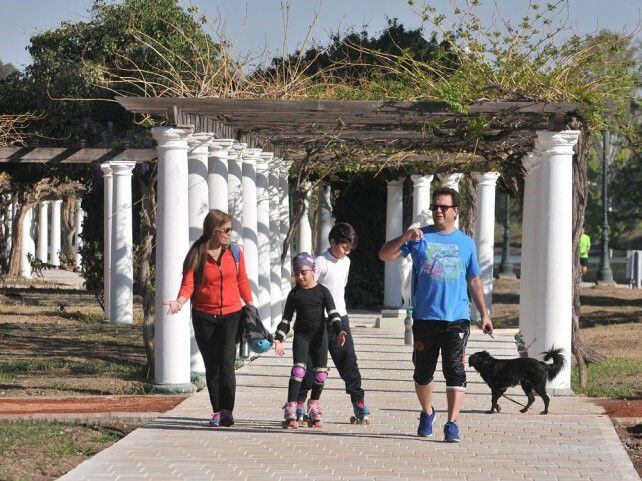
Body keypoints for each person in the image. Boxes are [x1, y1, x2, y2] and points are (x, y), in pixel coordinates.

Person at [379, 186, 493, 442]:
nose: (438, 211)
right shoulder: (420, 238)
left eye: (443, 207)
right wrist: (405, 238)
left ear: (455, 211)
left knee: (454, 370)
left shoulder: (466, 243)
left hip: (456, 318)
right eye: (435, 207)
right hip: (425, 318)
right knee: (422, 373)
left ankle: (452, 422)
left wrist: (484, 314)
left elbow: (474, 279)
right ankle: (427, 411)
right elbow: (384, 255)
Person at [164, 209, 252, 428]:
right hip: (204, 316)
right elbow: (189, 283)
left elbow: (242, 281)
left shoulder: (235, 252)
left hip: (232, 314)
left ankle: (227, 411)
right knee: (212, 365)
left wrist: (250, 305)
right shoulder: (197, 253)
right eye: (226, 230)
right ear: (214, 230)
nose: (230, 234)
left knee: (227, 362)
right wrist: (180, 301)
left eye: (231, 230)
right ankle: (216, 411)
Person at [296, 223, 371, 424]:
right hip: (318, 321)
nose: (346, 252)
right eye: (343, 246)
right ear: (332, 241)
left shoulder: (346, 262)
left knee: (348, 360)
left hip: (340, 319)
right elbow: (308, 288)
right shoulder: (320, 262)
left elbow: (340, 288)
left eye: (349, 248)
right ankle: (300, 403)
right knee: (310, 366)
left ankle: (359, 402)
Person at [274, 252, 347, 429]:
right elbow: (286, 319)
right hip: (302, 336)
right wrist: (279, 339)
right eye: (296, 273)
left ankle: (313, 404)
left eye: (303, 272)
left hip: (319, 337)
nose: (299, 277)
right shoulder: (294, 294)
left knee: (321, 374)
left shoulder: (323, 291)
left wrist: (339, 331)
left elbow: (333, 314)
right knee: (299, 371)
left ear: (313, 271)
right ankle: (291, 406)